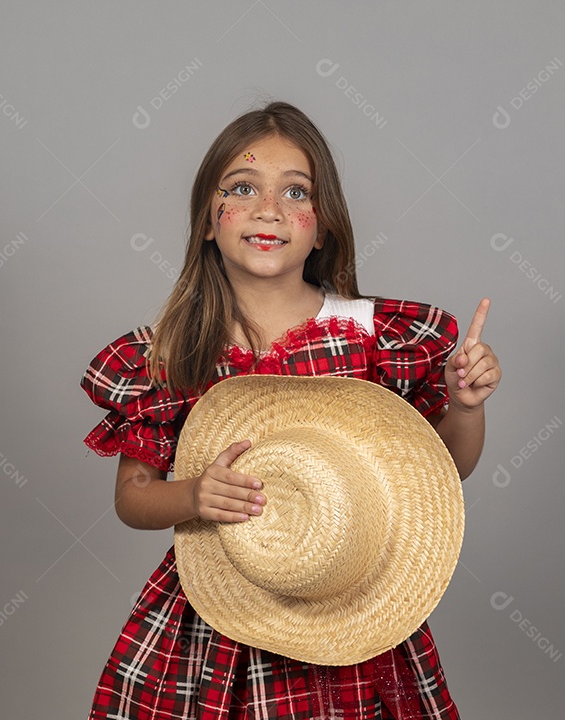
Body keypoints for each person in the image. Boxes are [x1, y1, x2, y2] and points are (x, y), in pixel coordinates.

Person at [80, 100, 501, 719]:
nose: (267, 209)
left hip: (348, 604)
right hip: (214, 619)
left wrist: (464, 407)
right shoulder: (171, 353)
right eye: (242, 188)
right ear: (207, 219)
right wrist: (194, 496)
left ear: (323, 224)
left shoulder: (372, 336)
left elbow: (445, 471)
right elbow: (133, 496)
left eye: (295, 192)